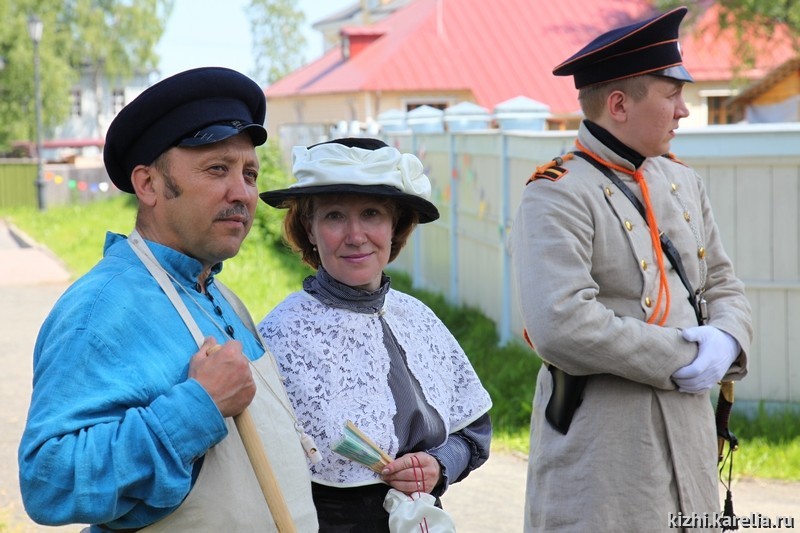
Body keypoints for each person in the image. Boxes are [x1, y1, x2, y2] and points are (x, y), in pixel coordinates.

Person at [18, 67, 318, 531]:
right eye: (217, 168)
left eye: (250, 173)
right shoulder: (101, 309)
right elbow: (48, 481)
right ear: (148, 185)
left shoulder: (227, 301)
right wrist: (197, 406)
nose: (241, 192)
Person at [510, 7, 753, 532]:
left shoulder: (683, 182)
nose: (683, 111)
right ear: (619, 104)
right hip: (605, 456)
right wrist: (688, 354)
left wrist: (729, 341)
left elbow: (724, 285)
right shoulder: (556, 194)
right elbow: (561, 325)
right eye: (672, 95)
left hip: (689, 445)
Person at [256, 137, 493, 531]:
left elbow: (473, 433)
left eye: (371, 214)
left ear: (394, 225)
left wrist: (436, 466)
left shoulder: (418, 317)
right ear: (310, 230)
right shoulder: (280, 336)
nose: (355, 235)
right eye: (334, 216)